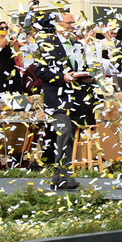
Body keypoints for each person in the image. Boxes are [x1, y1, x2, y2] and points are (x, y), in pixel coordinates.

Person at [35, 10, 99, 190]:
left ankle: (59, 177)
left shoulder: (75, 44)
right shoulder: (46, 44)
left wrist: (86, 77)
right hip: (56, 98)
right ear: (58, 25)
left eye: (73, 23)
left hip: (74, 97)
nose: (72, 26)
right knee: (63, 133)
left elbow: (81, 66)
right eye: (69, 23)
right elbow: (40, 71)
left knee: (69, 135)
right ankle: (64, 176)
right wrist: (62, 77)